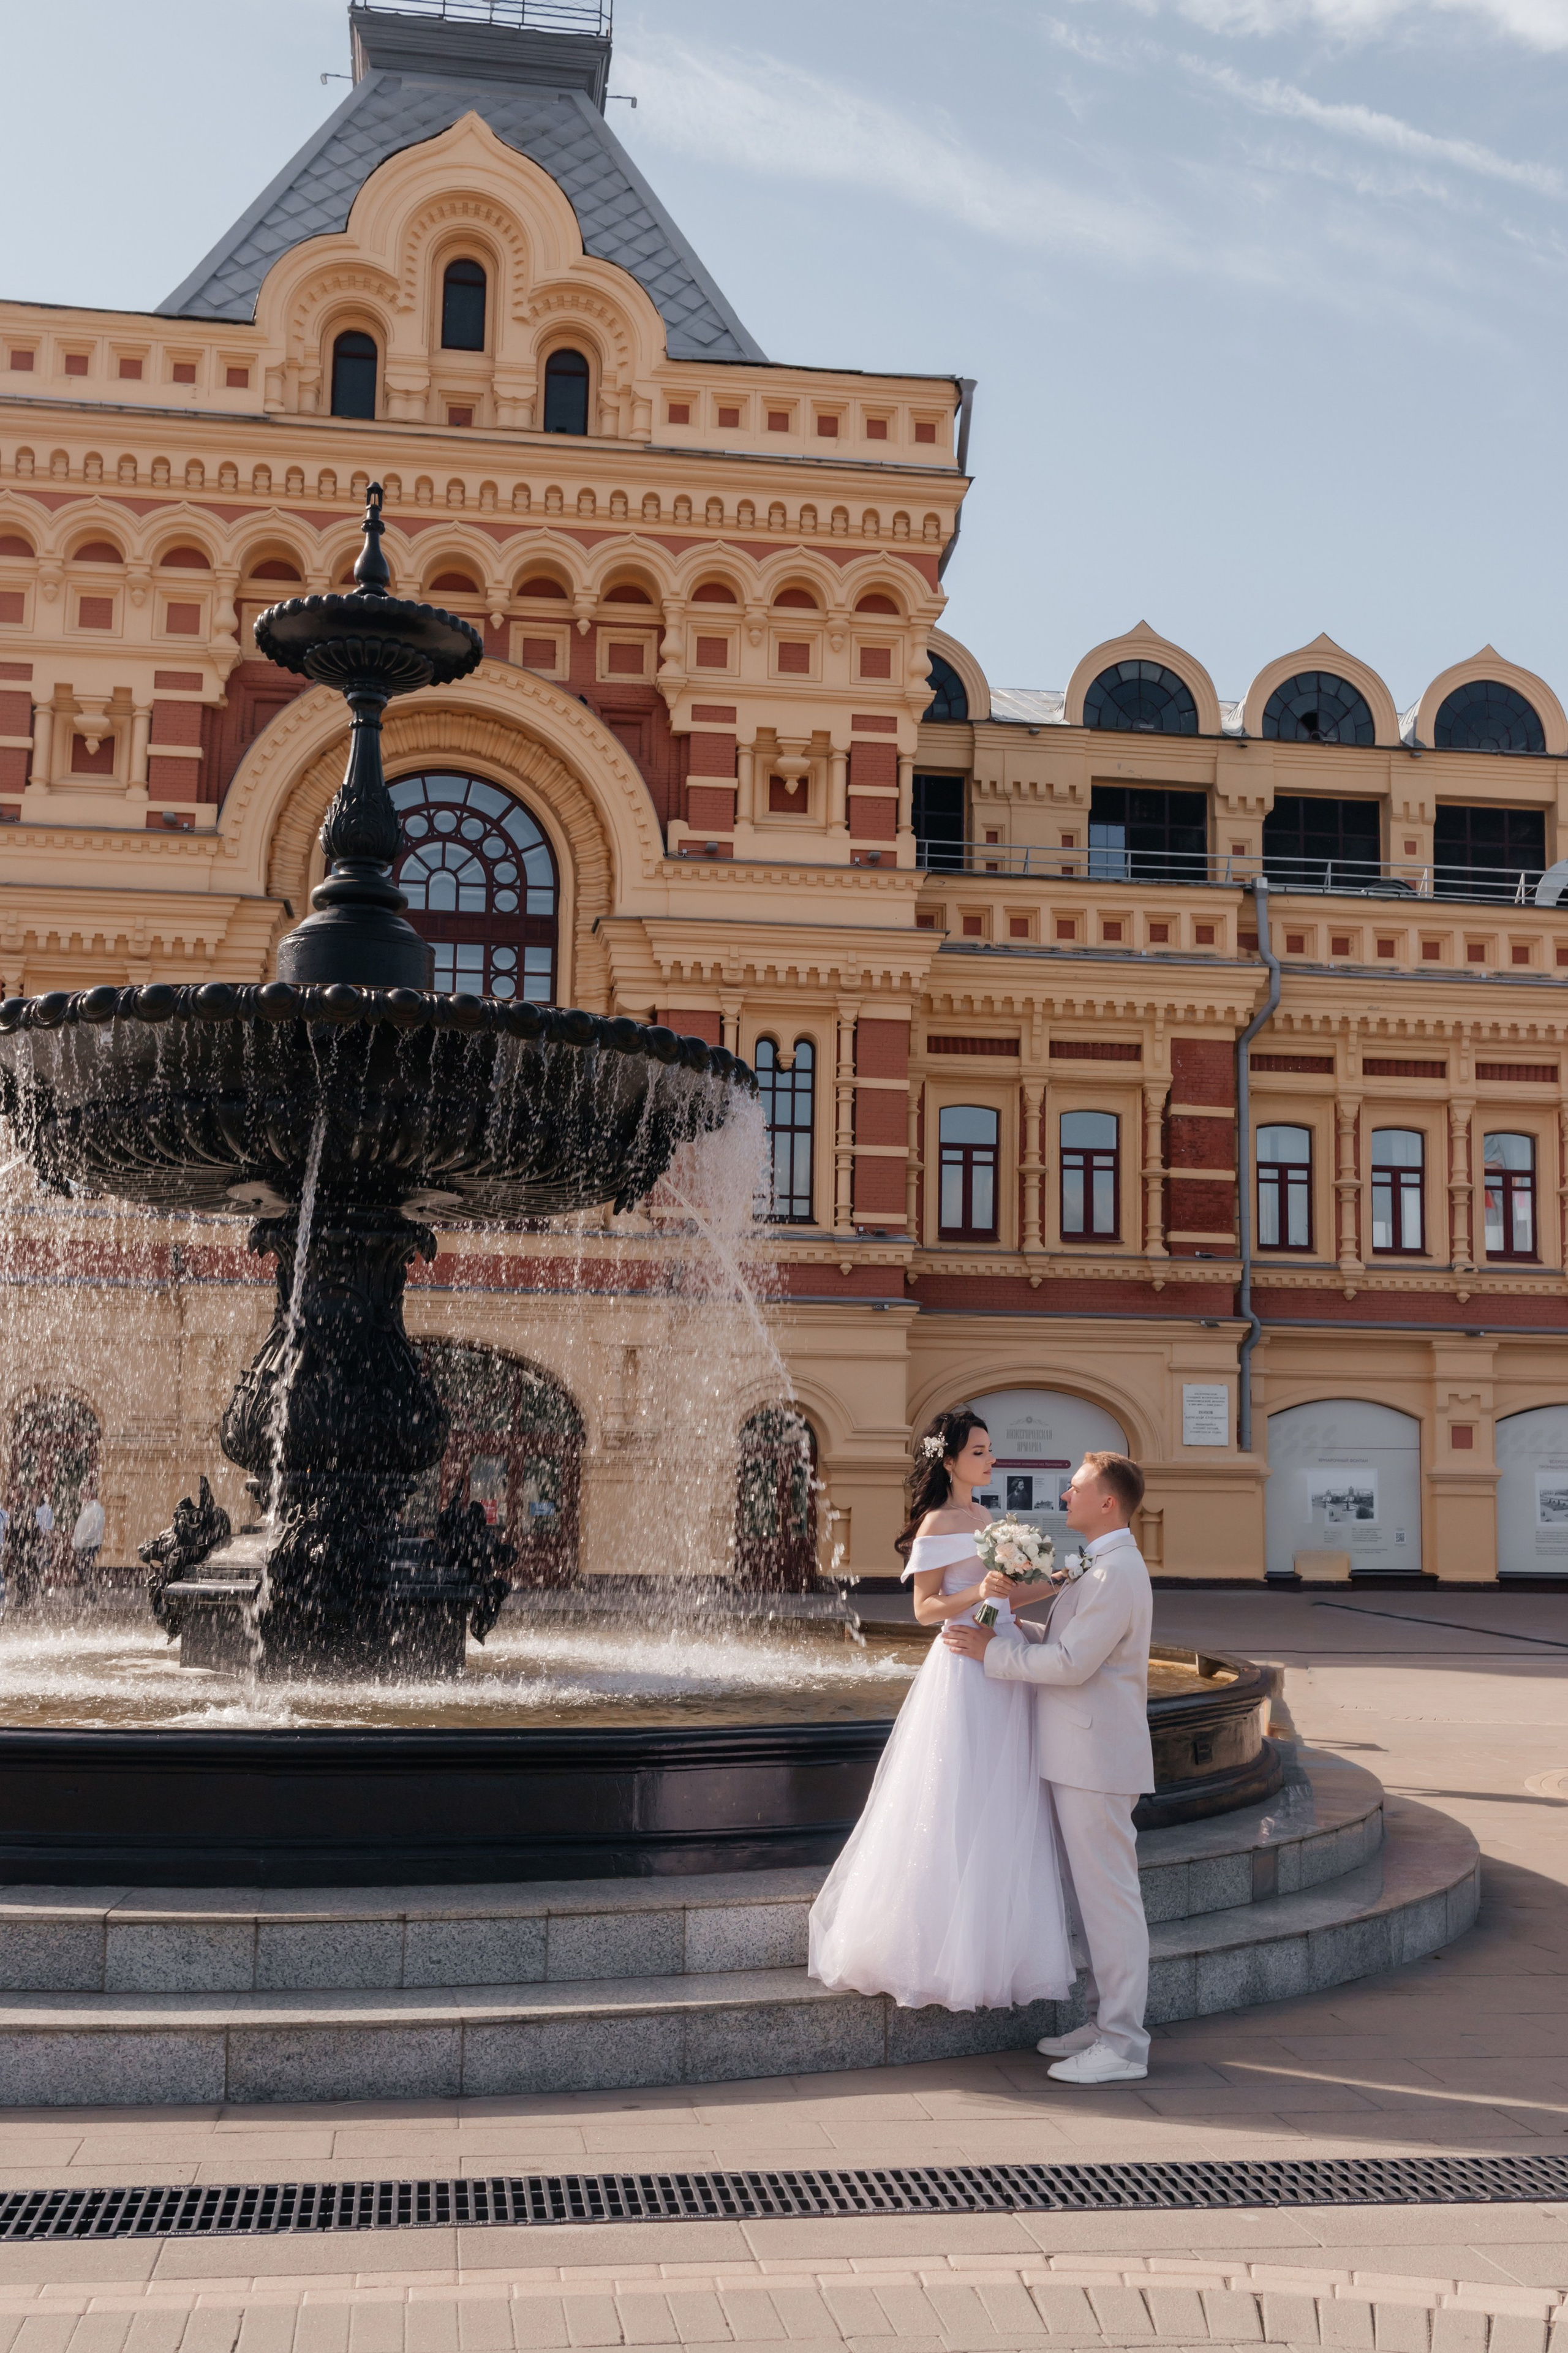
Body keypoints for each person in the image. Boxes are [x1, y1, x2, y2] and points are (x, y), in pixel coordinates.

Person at [807, 1409, 1072, 2014]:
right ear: (948, 1460)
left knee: (1002, 1798)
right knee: (953, 1795)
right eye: (979, 1451)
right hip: (962, 1666)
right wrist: (977, 1595)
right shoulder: (936, 1523)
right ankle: (932, 1952)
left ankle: (993, 1945)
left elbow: (1010, 1593)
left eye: (990, 1449)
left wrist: (1059, 1577)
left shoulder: (988, 1518)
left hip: (1004, 1659)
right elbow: (926, 1609)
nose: (990, 1459)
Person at [945, 1449, 1154, 2085]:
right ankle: (1101, 2024)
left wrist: (992, 1654)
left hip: (1096, 1758)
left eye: (1076, 1487)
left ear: (1107, 1501)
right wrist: (1005, 1635)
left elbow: (1072, 1665)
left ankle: (1123, 2044)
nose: (1065, 1496)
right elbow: (1068, 1648)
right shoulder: (1099, 1566)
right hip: (1080, 1752)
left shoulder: (1115, 1573)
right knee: (1093, 1903)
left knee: (1111, 1903)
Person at [72, 1489, 106, 1592]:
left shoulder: (97, 1509)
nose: (82, 1496)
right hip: (85, 1546)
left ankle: (90, 1594)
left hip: (91, 1545)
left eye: (83, 1493)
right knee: (83, 1570)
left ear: (90, 1494)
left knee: (85, 1570)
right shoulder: (89, 1508)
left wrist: (83, 1541)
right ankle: (88, 1592)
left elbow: (95, 1528)